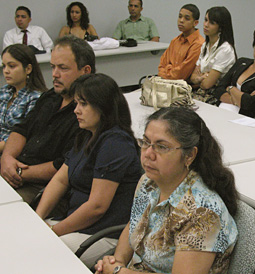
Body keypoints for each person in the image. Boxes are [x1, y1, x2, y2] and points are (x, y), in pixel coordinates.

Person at [94, 107, 239, 274]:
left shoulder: (202, 213)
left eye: (161, 147)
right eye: (146, 142)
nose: (148, 154)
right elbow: (134, 223)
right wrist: (116, 261)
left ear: (189, 155)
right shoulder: (148, 182)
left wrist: (118, 272)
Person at [36, 73, 142, 267]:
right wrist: (37, 218)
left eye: (83, 104)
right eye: (76, 103)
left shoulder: (115, 143)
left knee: (39, 252)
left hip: (102, 233)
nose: (76, 110)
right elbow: (60, 180)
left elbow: (96, 207)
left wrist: (54, 231)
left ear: (103, 107)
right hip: (75, 224)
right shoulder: (87, 135)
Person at [0, 35, 95, 206]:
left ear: (85, 71)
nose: (55, 74)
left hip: (41, 186)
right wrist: (6, 158)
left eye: (63, 68)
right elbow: (22, 129)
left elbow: (65, 165)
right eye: (52, 67)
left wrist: (19, 172)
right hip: (15, 169)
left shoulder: (90, 112)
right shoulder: (51, 96)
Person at [0, 44, 47, 153]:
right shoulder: (4, 92)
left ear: (28, 69)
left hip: (13, 153)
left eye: (12, 66)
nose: (6, 71)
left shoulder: (36, 98)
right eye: (4, 66)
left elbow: (26, 137)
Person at [190, 6, 236, 105]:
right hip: (202, 93)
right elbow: (193, 77)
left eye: (212, 23)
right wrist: (200, 78)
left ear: (221, 27)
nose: (206, 25)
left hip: (216, 96)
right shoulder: (205, 45)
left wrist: (201, 78)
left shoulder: (225, 49)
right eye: (205, 20)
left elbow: (207, 84)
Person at [158, 4, 204, 80]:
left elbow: (181, 75)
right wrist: (170, 71)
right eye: (180, 16)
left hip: (186, 87)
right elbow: (161, 66)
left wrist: (168, 68)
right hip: (167, 82)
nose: (181, 20)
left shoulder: (198, 44)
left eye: (187, 18)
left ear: (195, 23)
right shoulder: (175, 41)